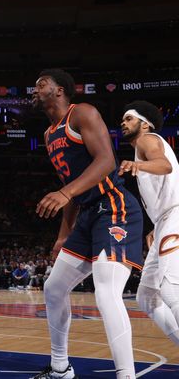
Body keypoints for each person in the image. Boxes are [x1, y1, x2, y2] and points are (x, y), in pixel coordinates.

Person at [31, 69, 143, 379]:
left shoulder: (81, 113)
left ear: (60, 91)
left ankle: (126, 376)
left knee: (106, 292)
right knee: (53, 288)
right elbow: (71, 186)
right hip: (87, 214)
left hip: (115, 206)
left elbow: (106, 161)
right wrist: (63, 234)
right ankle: (60, 368)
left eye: (42, 84)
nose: (35, 88)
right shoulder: (48, 134)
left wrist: (66, 192)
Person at [119, 101, 179, 346]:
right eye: (122, 120)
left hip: (175, 215)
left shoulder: (147, 139)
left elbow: (163, 165)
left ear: (145, 123)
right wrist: (156, 225)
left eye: (129, 119)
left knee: (170, 288)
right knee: (146, 296)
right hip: (166, 219)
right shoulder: (142, 147)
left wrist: (137, 165)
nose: (123, 123)